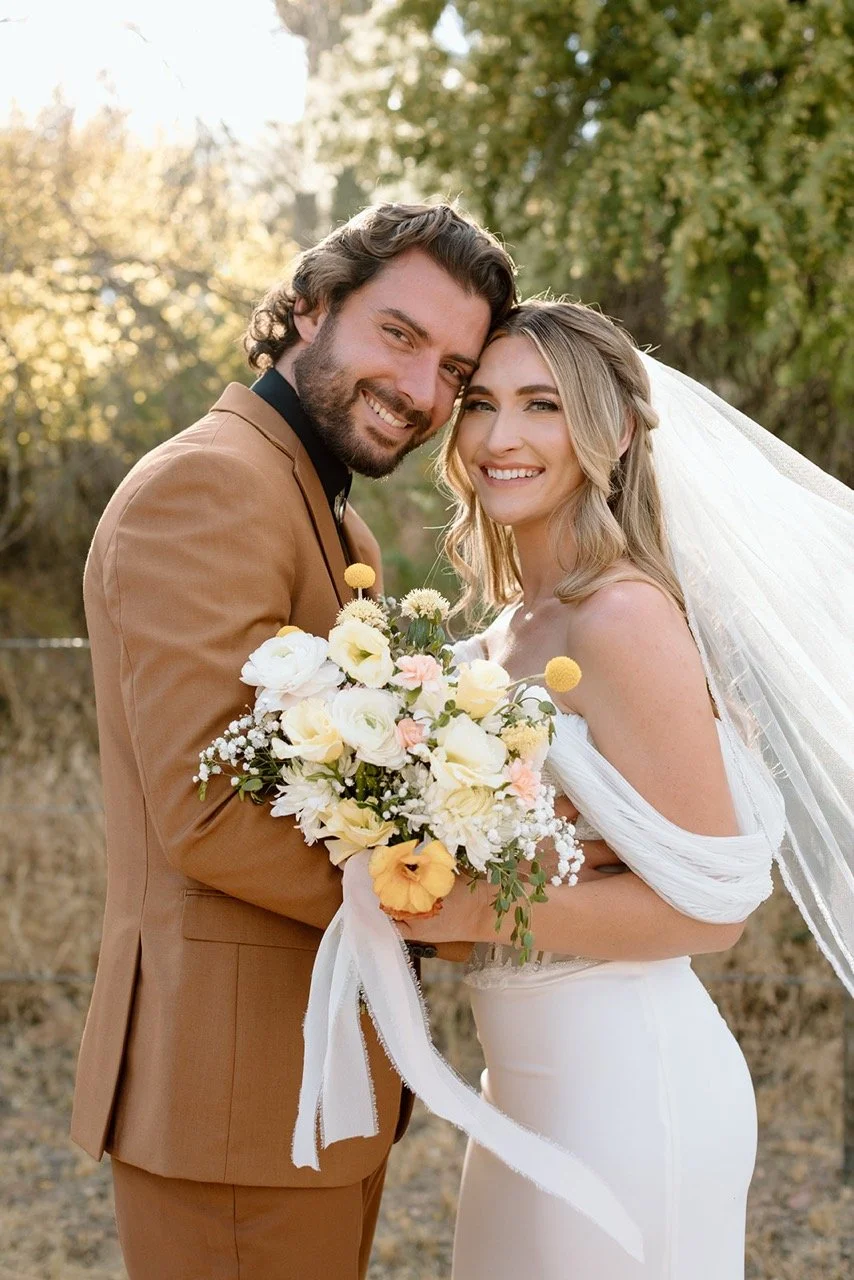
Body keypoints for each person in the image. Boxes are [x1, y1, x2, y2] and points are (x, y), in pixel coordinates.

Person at [70, 201, 517, 1280]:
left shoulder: (331, 514)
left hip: (304, 1092)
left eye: (454, 370)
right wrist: (443, 900)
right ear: (308, 305)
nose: (420, 391)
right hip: (230, 1094)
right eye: (398, 335)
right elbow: (207, 809)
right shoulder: (209, 484)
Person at [395, 298, 851, 1277]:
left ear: (610, 432)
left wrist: (455, 903)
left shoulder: (620, 617)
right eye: (479, 402)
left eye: (541, 405)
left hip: (627, 1090)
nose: (499, 435)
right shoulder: (507, 630)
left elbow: (708, 909)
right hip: (521, 1087)